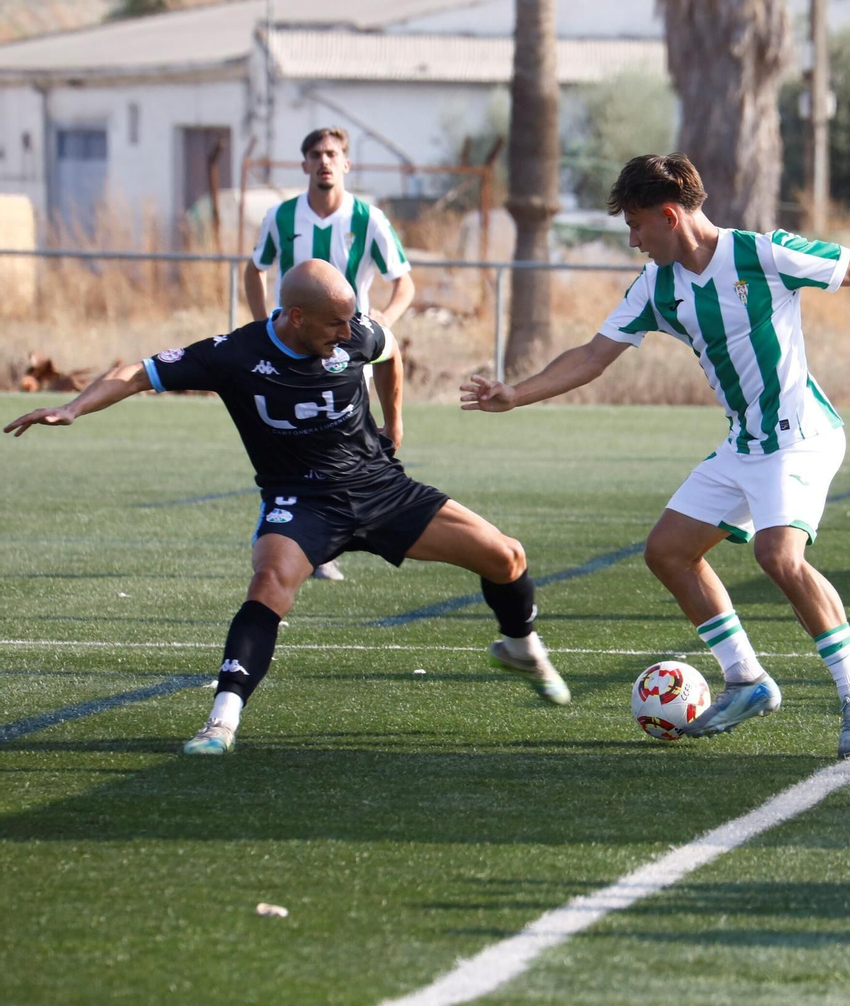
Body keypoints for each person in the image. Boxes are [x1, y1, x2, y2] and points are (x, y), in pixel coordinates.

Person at [461, 153, 850, 759]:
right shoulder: (657, 286)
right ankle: (747, 680)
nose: (634, 240)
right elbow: (593, 355)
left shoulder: (762, 254)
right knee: (668, 552)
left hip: (801, 437)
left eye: (636, 226)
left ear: (670, 216)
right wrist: (515, 394)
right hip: (744, 443)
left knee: (777, 555)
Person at [4, 260, 568, 755]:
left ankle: (520, 647)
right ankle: (221, 722)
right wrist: (74, 408)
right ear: (296, 317)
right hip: (301, 501)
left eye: (351, 320)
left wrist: (395, 421)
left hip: (379, 488)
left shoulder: (356, 333)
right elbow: (136, 373)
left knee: (507, 556)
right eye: (335, 323)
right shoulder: (234, 354)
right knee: (270, 583)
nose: (348, 333)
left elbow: (390, 350)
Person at [245, 127, 416, 582]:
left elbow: (404, 283)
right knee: (294, 446)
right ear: (304, 164)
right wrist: (263, 328)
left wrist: (384, 321)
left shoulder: (369, 219)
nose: (325, 161)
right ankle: (304, 542)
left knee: (347, 447)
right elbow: (254, 269)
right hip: (293, 349)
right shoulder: (281, 217)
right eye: (316, 154)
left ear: (346, 163)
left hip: (348, 348)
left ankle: (330, 537)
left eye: (333, 153)